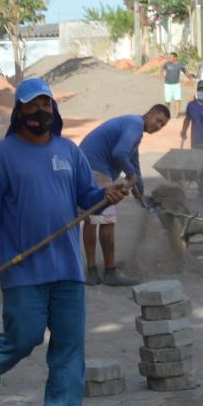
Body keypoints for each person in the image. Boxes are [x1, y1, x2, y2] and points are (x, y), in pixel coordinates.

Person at [0, 77, 130, 406]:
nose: (40, 111)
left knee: (69, 346)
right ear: (18, 112)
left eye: (46, 104)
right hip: (22, 270)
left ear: (54, 109)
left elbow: (86, 195)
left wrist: (105, 194)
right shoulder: (2, 155)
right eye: (32, 106)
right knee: (23, 337)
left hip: (68, 268)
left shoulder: (69, 151)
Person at [77, 103, 171, 286]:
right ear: (149, 114)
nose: (158, 126)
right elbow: (120, 154)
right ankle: (110, 272)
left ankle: (92, 271)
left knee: (91, 218)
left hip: (84, 167)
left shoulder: (132, 127)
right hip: (96, 169)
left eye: (163, 125)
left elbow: (133, 162)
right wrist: (132, 175)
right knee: (107, 220)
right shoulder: (135, 124)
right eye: (158, 120)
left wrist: (140, 191)